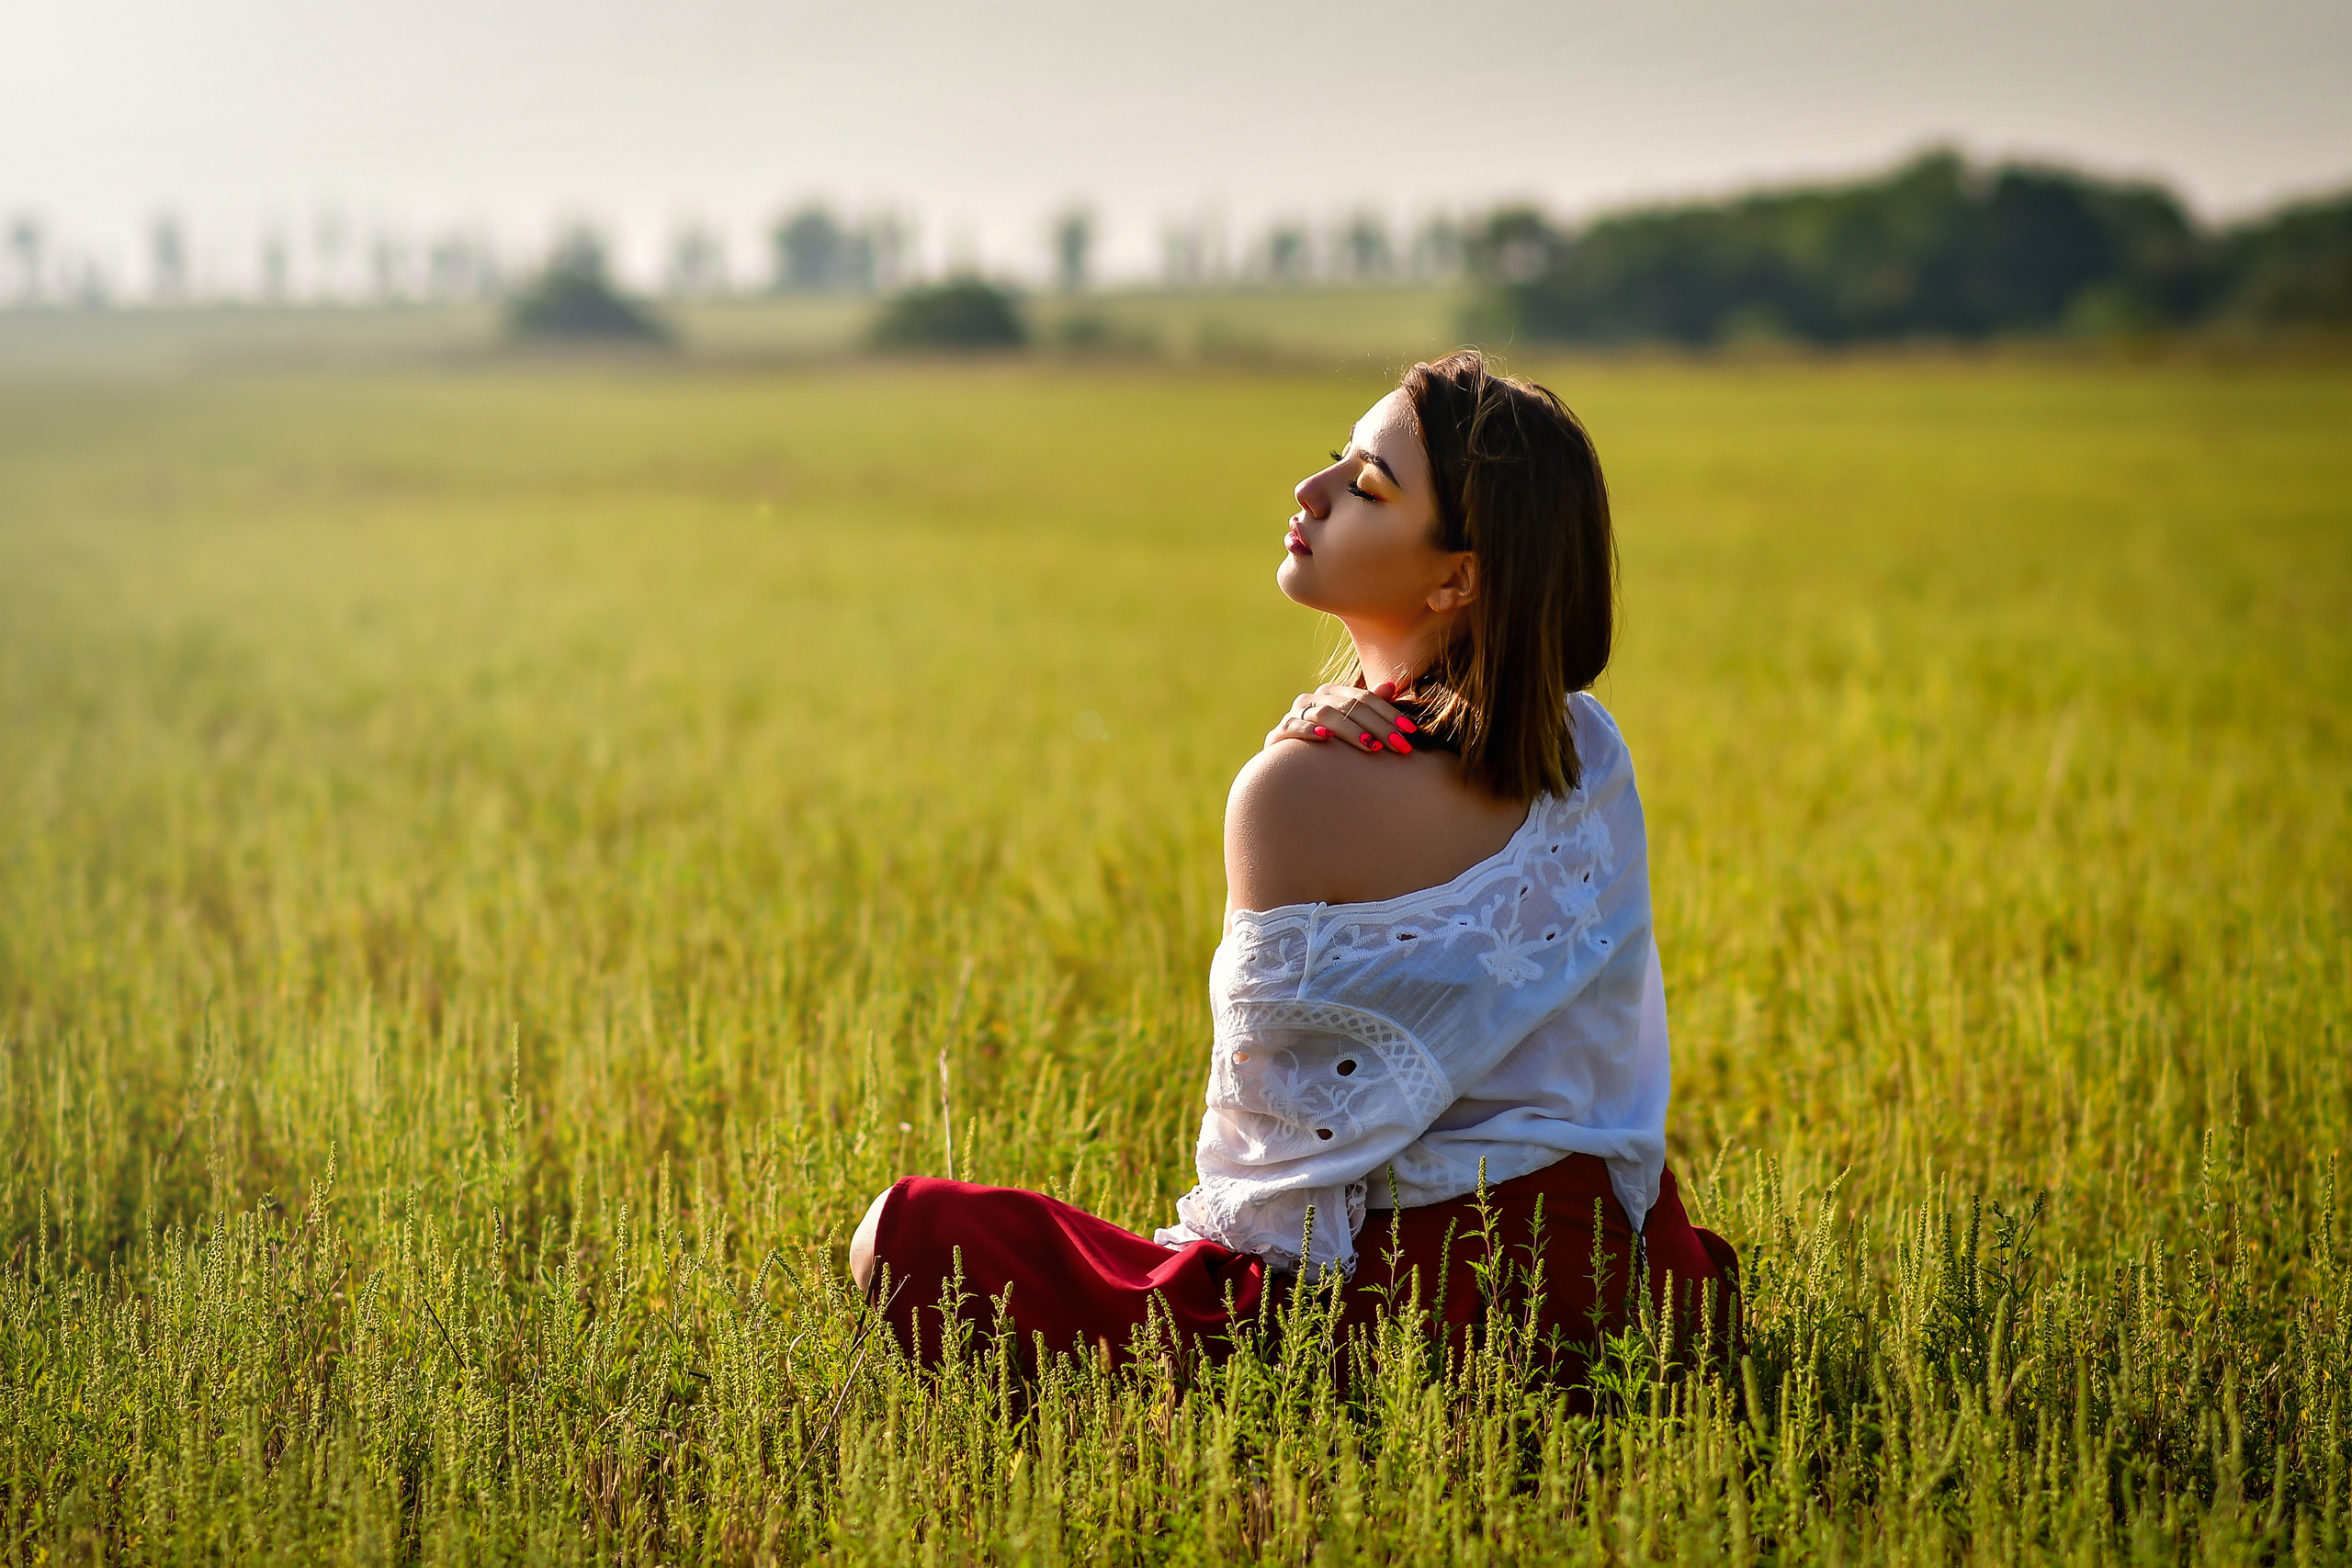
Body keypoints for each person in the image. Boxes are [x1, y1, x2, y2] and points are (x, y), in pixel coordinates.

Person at [849, 350, 1735, 1376]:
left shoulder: (1293, 794)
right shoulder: (1587, 746)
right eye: (1335, 462)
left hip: (1419, 1316)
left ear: (1457, 577)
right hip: (1632, 1293)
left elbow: (1267, 1196)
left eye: (1365, 488)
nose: (1309, 493)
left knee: (905, 1235)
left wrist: (1291, 763)